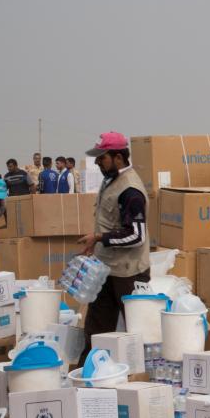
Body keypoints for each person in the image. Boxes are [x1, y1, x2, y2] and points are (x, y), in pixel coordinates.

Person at [77, 132, 149, 359]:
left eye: (102, 157)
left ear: (118, 157)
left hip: (129, 273)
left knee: (137, 332)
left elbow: (137, 236)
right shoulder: (111, 181)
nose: (98, 162)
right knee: (96, 328)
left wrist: (99, 238)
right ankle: (88, 372)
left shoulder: (130, 190)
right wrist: (96, 245)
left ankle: (140, 375)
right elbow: (109, 222)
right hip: (106, 269)